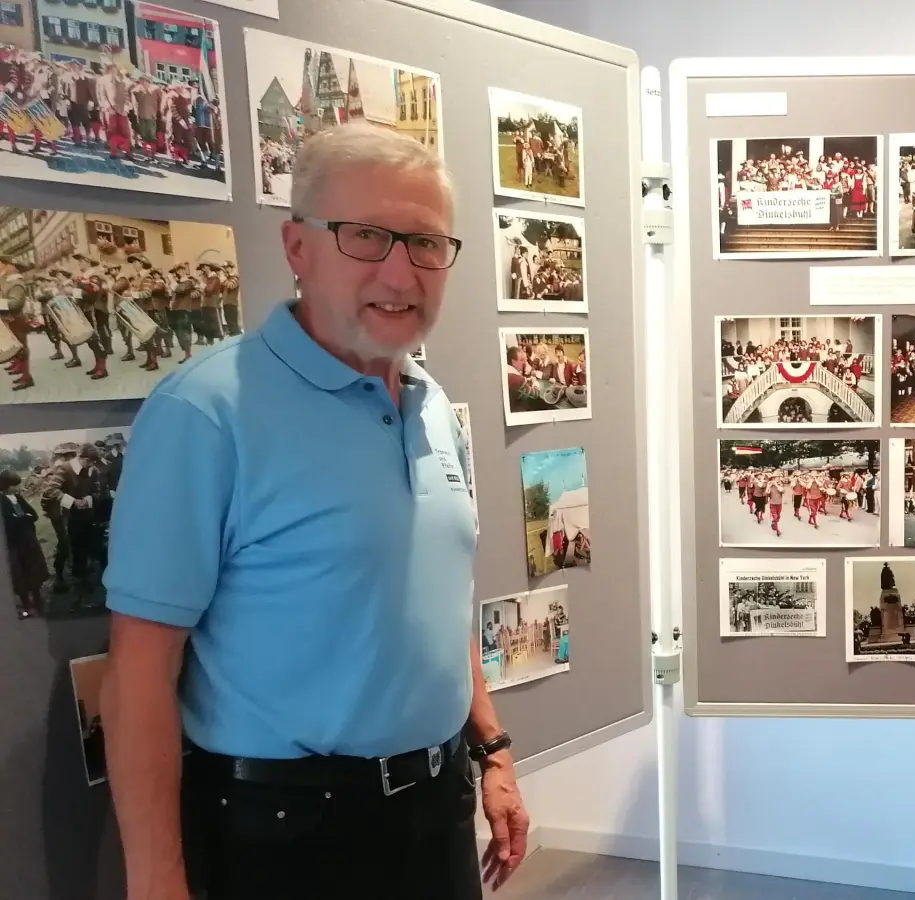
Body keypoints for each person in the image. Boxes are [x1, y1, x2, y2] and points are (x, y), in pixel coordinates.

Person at [99, 123, 529, 900]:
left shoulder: (432, 409)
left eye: (427, 243)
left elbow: (433, 603)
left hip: (436, 810)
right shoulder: (206, 414)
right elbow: (137, 674)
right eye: (368, 236)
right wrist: (157, 881)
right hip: (281, 834)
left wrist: (492, 751)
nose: (402, 271)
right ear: (298, 248)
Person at [1, 468, 47, 618]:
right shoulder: (2, 501)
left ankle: (37, 598)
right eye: (14, 485)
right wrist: (22, 517)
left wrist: (20, 517)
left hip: (28, 539)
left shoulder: (19, 498)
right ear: (6, 486)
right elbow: (8, 521)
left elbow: (33, 515)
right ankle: (25, 602)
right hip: (14, 542)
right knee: (19, 572)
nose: (18, 488)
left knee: (34, 568)